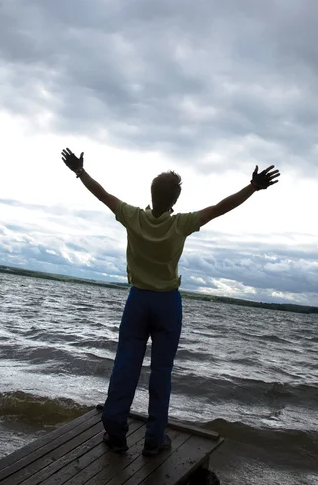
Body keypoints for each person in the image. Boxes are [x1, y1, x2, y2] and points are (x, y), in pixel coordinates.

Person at [61, 148, 280, 455]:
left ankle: (116, 435)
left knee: (125, 366)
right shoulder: (181, 224)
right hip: (167, 305)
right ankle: (154, 441)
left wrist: (80, 172)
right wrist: (253, 187)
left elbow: (102, 194)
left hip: (137, 301)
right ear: (175, 201)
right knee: (161, 373)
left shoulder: (133, 216)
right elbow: (220, 208)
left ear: (150, 194)